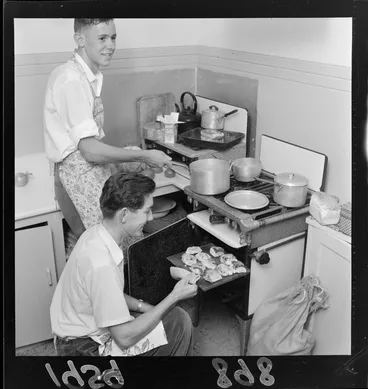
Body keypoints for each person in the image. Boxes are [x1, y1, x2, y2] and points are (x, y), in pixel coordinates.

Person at [43, 18, 172, 239]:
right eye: (102, 38)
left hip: (90, 167)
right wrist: (146, 154)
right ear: (80, 40)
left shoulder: (86, 75)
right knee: (106, 243)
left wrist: (138, 158)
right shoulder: (71, 80)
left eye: (113, 37)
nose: (110, 45)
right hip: (77, 175)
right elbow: (89, 150)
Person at [50, 172, 199, 356]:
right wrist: (174, 296)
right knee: (179, 323)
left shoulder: (95, 235)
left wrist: (145, 308)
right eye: (146, 211)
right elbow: (123, 338)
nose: (151, 218)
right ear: (124, 214)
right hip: (82, 348)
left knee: (169, 317)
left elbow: (110, 295)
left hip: (80, 331)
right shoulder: (101, 264)